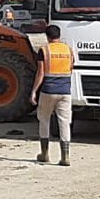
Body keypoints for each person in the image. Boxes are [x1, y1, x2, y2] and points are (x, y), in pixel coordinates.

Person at [30, 24, 75, 166]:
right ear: (59, 35)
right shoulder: (68, 49)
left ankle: (44, 154)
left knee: (44, 120)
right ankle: (65, 156)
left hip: (48, 90)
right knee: (64, 123)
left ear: (47, 36)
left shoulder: (44, 50)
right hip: (65, 91)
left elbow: (41, 73)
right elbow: (71, 67)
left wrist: (33, 91)